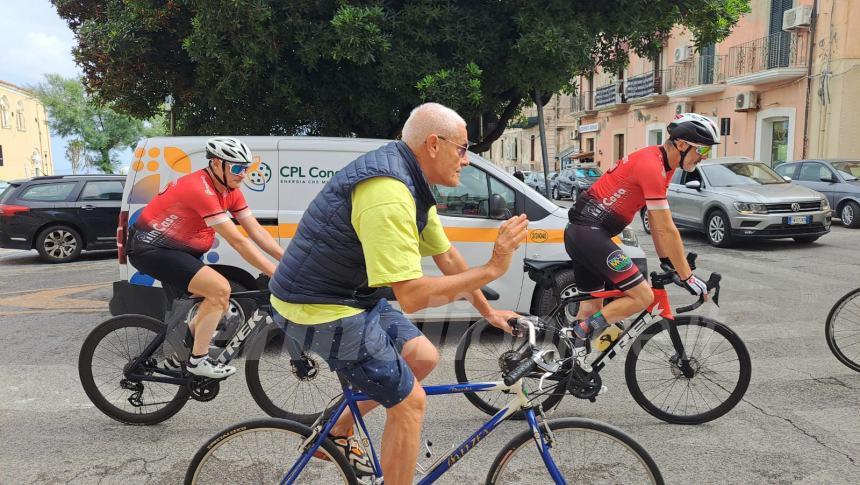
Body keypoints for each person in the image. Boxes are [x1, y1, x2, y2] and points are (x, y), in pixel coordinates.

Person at [269, 103, 529, 484]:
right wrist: (491, 268)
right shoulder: (389, 192)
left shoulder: (412, 182)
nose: (467, 160)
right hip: (315, 305)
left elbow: (448, 257)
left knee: (422, 356)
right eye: (463, 148)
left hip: (350, 296)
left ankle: (335, 433)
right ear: (434, 144)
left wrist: (488, 312)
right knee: (410, 403)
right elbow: (412, 297)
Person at [563, 113, 720, 371]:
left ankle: (566, 371)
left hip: (584, 232)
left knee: (591, 309)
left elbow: (658, 229)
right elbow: (666, 228)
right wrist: (687, 276)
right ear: (681, 144)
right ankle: (579, 333)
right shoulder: (652, 165)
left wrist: (668, 263)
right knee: (643, 296)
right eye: (702, 149)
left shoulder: (664, 166)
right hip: (590, 231)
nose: (704, 156)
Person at [127, 137, 284, 378]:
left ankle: (181, 356)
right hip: (151, 249)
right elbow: (238, 241)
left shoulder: (230, 191)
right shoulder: (199, 188)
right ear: (217, 164)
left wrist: (287, 261)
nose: (243, 174)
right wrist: (277, 273)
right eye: (237, 168)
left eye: (246, 168)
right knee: (220, 290)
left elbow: (256, 231)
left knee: (208, 303)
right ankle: (197, 362)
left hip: (178, 251)